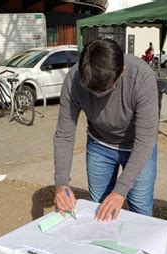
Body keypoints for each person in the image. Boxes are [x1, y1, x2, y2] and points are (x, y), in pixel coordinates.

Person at [53, 39, 158, 221]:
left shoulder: (141, 76)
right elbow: (64, 135)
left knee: (141, 211)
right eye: (92, 90)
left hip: (137, 147)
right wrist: (61, 183)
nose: (97, 95)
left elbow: (145, 139)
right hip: (99, 145)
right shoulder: (73, 79)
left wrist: (120, 190)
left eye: (104, 90)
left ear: (122, 71)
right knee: (99, 209)